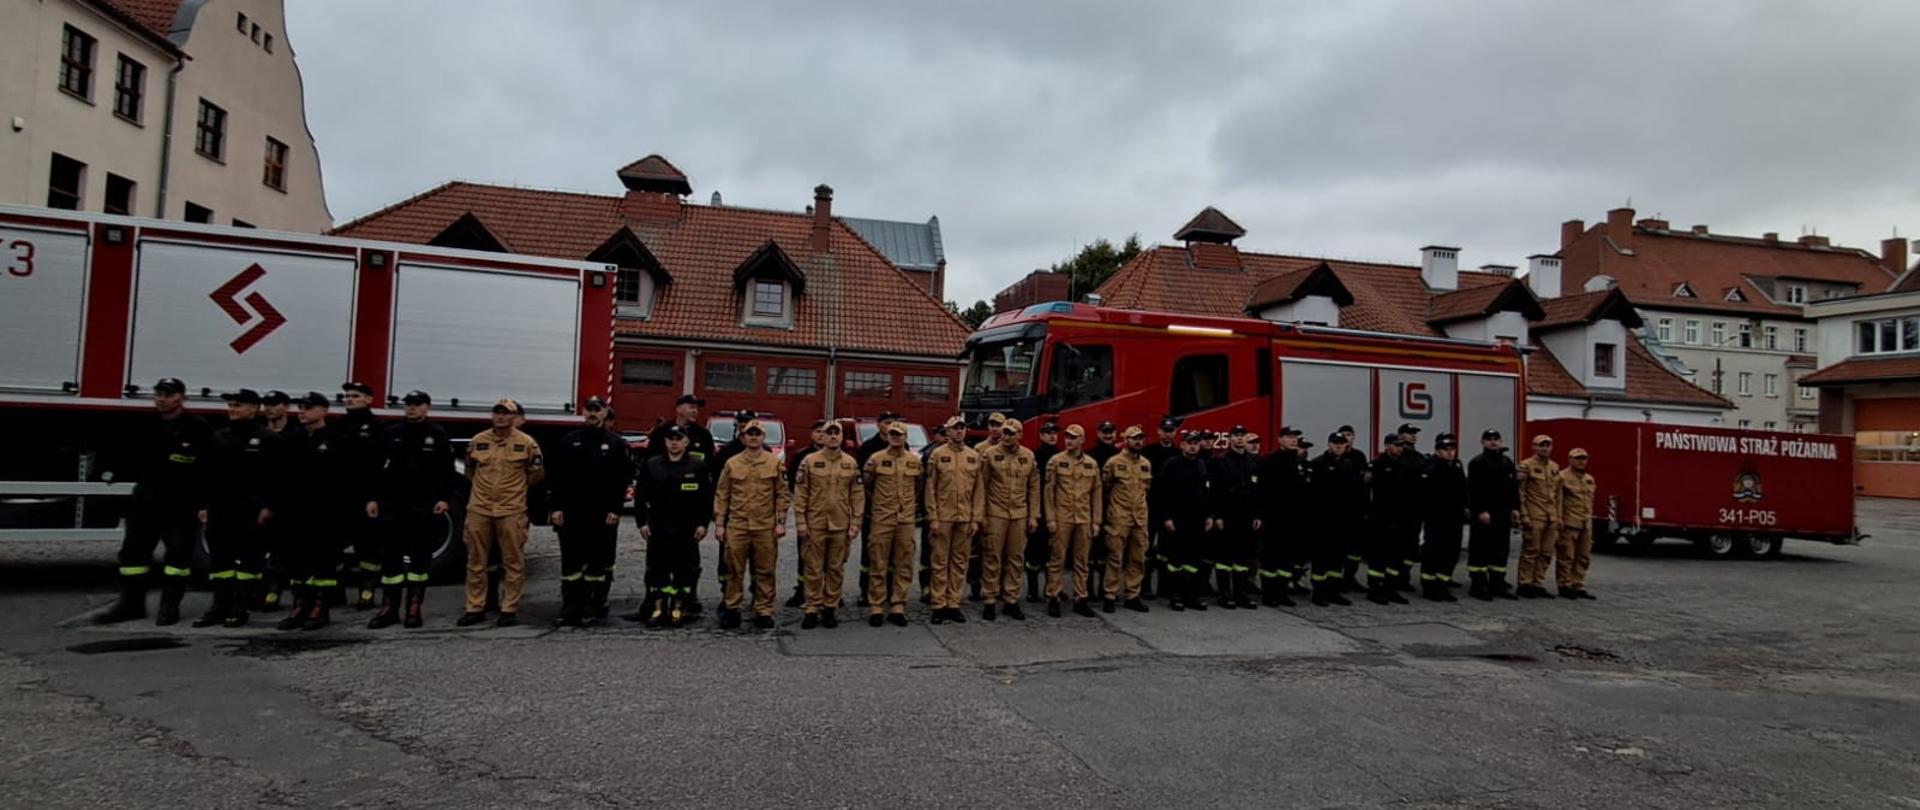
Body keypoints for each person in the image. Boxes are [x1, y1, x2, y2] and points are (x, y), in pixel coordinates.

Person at [95, 377, 210, 626]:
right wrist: (112, 471)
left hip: (180, 503)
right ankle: (130, 604)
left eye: (168, 395)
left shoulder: (198, 428)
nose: (162, 400)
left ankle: (169, 607)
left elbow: (206, 470)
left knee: (178, 558)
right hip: (145, 501)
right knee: (132, 555)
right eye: (158, 394)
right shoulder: (144, 424)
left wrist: (203, 503)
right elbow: (128, 455)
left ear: (182, 397)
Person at [194, 389, 283, 628]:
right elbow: (206, 474)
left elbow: (278, 479)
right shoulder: (217, 437)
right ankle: (218, 607)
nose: (233, 409)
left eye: (239, 405)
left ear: (254, 409)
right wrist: (203, 505)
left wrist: (269, 507)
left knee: (249, 561)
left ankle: (240, 607)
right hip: (221, 508)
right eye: (231, 405)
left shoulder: (269, 439)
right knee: (220, 561)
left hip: (252, 510)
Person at [367, 390, 454, 630]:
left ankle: (413, 609)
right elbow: (376, 469)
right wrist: (373, 498)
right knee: (391, 561)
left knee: (419, 562)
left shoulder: (436, 436)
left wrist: (444, 499)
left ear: (427, 407)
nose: (412, 409)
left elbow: (447, 471)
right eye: (408, 405)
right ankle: (389, 609)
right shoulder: (391, 434)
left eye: (417, 405)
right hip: (392, 507)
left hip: (422, 508)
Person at [455, 399, 544, 628]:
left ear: (514, 417)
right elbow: (469, 472)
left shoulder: (526, 444)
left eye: (506, 413)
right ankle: (475, 607)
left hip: (511, 510)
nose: (501, 417)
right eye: (497, 413)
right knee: (476, 561)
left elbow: (535, 474)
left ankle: (509, 608)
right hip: (480, 508)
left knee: (513, 562)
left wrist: (513, 494)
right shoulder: (478, 441)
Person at [549, 398, 631, 627]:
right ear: (583, 412)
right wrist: (555, 507)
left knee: (597, 562)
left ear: (605, 413)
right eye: (589, 409)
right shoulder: (569, 441)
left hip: (601, 514)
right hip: (572, 513)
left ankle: (593, 605)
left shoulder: (616, 444)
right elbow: (558, 477)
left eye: (597, 410)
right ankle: (570, 606)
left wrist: (616, 509)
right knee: (571, 563)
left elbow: (621, 480)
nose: (593, 413)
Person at [630, 425, 713, 627]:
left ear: (686, 442)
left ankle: (678, 607)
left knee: (684, 570)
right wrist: (641, 522)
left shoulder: (697, 466)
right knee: (657, 571)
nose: (674, 442)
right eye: (670, 439)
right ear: (665, 442)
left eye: (679, 439)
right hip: (659, 527)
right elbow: (640, 496)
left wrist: (703, 524)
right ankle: (658, 608)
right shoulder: (652, 464)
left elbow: (706, 498)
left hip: (687, 529)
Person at [275, 392, 341, 630]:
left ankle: (320, 609)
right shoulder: (292, 438)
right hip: (296, 511)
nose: (302, 411)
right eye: (301, 407)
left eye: (308, 407)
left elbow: (346, 478)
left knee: (323, 562)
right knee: (297, 562)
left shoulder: (335, 439)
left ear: (324, 411)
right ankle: (300, 606)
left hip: (324, 512)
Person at [713, 420, 789, 629]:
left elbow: (782, 495)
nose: (754, 437)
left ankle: (763, 610)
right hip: (737, 525)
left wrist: (781, 522)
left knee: (765, 570)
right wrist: (720, 524)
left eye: (758, 434)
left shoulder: (774, 463)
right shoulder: (732, 463)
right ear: (743, 437)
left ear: (763, 437)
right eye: (750, 433)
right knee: (734, 569)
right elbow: (722, 494)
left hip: (764, 526)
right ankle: (732, 608)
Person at [793, 421, 862, 629]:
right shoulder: (810, 461)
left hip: (840, 524)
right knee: (813, 568)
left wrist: (855, 523)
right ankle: (812, 608)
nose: (833, 437)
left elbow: (857, 495)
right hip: (816, 524)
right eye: (828, 433)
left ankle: (830, 607)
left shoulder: (850, 463)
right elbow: (800, 494)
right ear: (821, 436)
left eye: (836, 433)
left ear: (842, 437)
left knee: (835, 568)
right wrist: (800, 522)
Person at [922, 417, 984, 625]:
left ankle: (954, 603)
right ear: (947, 432)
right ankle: (938, 604)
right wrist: (933, 516)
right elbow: (930, 488)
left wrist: (976, 518)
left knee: (960, 562)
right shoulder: (937, 455)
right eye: (955, 429)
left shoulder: (974, 456)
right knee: (939, 562)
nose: (959, 432)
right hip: (943, 517)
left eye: (962, 428)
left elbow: (979, 491)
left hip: (965, 517)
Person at [978, 420, 1038, 621]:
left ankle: (1011, 599)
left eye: (1012, 433)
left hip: (1019, 513)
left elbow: (1033, 488)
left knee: (1016, 558)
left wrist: (1033, 515)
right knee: (992, 556)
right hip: (996, 512)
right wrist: (982, 515)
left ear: (1020, 434)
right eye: (1005, 432)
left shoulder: (1028, 456)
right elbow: (982, 487)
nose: (1007, 436)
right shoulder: (991, 454)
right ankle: (989, 599)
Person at [863, 422, 921, 626]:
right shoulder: (876, 460)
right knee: (878, 562)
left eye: (900, 435)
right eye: (893, 434)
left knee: (904, 563)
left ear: (906, 437)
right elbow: (867, 487)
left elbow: (918, 488)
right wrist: (878, 508)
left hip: (905, 519)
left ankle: (898, 605)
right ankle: (876, 606)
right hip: (882, 518)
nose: (896, 437)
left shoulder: (914, 461)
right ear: (888, 436)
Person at [336, 382, 386, 611]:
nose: (349, 399)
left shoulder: (377, 427)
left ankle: (367, 591)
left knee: (367, 547)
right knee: (333, 544)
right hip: (340, 496)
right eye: (346, 396)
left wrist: (374, 497)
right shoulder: (338, 426)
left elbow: (380, 467)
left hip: (364, 498)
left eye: (355, 396)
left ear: (368, 399)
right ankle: (334, 593)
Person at [1044, 425, 1102, 618]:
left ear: (1082, 440)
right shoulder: (1056, 462)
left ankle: (1080, 598)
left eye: (1073, 437)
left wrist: (1096, 521)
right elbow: (1048, 493)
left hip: (1083, 518)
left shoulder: (1091, 464)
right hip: (1062, 517)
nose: (1069, 440)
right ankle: (1054, 596)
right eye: (1067, 437)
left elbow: (1096, 494)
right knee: (1057, 559)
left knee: (1082, 561)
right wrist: (1050, 519)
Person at [1153, 430, 1215, 611]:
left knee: (1194, 560)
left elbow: (1208, 493)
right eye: (1190, 443)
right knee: (1176, 560)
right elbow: (1162, 493)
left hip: (1197, 520)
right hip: (1177, 520)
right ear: (1182, 445)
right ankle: (1176, 595)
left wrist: (1209, 516)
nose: (1193, 446)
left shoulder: (1202, 465)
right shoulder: (1172, 464)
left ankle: (1192, 596)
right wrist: (1166, 517)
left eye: (1196, 443)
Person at [1100, 426, 1153, 613]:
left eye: (1140, 438)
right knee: (1115, 557)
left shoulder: (1146, 463)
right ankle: (1110, 595)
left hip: (1140, 518)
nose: (1138, 441)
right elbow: (1105, 489)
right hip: (1118, 518)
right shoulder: (1114, 462)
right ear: (1126, 440)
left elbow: (1146, 489)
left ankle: (1132, 594)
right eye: (1134, 438)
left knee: (1137, 558)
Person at [1306, 433, 1362, 606]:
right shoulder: (1317, 464)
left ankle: (1333, 591)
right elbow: (1310, 495)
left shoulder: (1349, 464)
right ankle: (1318, 592)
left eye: (1342, 444)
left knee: (1338, 559)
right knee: (1321, 558)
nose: (1339, 447)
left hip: (1343, 521)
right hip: (1323, 521)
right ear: (1329, 444)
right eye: (1336, 443)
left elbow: (1355, 493)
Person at [1256, 427, 1309, 607]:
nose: (1294, 440)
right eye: (1289, 437)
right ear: (1280, 440)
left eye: (1295, 437)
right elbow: (1260, 491)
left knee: (1287, 559)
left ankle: (1282, 593)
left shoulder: (1299, 462)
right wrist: (1261, 514)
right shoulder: (1269, 461)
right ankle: (1269, 594)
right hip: (1274, 517)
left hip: (1294, 519)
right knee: (1272, 557)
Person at [1466, 429, 1521, 601]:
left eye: (1496, 439)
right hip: (1484, 515)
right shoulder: (1477, 463)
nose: (1493, 442)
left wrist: (1515, 508)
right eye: (1488, 439)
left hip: (1502, 514)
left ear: (1501, 441)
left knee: (1500, 550)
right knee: (1480, 550)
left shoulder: (1507, 462)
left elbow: (1513, 489)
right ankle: (1478, 586)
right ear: (1482, 442)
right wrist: (1480, 510)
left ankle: (1497, 585)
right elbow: (1473, 490)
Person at [783, 420, 832, 609]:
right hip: (810, 515)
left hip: (833, 516)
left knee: (831, 557)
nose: (821, 435)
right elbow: (794, 487)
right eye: (818, 431)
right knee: (805, 555)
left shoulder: (840, 458)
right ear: (812, 434)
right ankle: (802, 590)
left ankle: (829, 593)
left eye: (824, 432)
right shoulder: (802, 456)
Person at [1209, 426, 1260, 609]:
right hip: (1227, 515)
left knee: (1243, 558)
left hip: (1246, 516)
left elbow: (1257, 492)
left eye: (1242, 436)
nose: (1239, 439)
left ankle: (1241, 594)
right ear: (1230, 439)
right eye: (1236, 436)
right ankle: (1225, 594)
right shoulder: (1221, 461)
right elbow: (1215, 492)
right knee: (1224, 558)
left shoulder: (1253, 462)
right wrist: (1218, 516)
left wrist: (1257, 515)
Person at [1418, 433, 1470, 602]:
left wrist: (1466, 508)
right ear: (1438, 452)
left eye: (1452, 449)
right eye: (1445, 450)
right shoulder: (1431, 469)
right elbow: (1424, 496)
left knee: (1451, 552)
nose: (1449, 452)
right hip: (1436, 519)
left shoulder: (1456, 467)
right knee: (1433, 551)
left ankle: (1442, 584)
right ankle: (1429, 586)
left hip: (1454, 518)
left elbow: (1464, 490)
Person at [855, 411, 899, 608]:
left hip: (895, 511)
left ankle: (888, 591)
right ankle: (866, 592)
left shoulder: (902, 446)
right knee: (870, 553)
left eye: (894, 423)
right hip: (873, 510)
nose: (891, 426)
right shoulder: (868, 448)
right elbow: (864, 483)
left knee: (891, 554)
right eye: (887, 422)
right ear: (879, 425)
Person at [1366, 436, 1416, 605]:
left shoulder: (1405, 464)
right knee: (1379, 555)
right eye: (1396, 445)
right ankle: (1374, 589)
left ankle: (1390, 588)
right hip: (1382, 518)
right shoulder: (1378, 465)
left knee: (1397, 556)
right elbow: (1377, 493)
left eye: (1401, 445)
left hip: (1401, 517)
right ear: (1387, 446)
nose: (1400, 448)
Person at [1515, 434, 1563, 599]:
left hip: (1551, 517)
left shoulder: (1554, 467)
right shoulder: (1526, 466)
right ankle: (1524, 583)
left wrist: (1559, 516)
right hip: (1535, 515)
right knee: (1531, 550)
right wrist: (1524, 515)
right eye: (1541, 445)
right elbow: (1520, 492)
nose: (1545, 448)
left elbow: (1558, 495)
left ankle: (1537, 582)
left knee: (1547, 552)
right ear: (1534, 447)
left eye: (1548, 446)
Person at [1139, 417, 1181, 600]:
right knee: (1146, 550)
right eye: (1164, 430)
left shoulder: (1179, 454)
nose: (1167, 434)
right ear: (1158, 431)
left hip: (1171, 509)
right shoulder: (1147, 452)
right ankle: (1144, 586)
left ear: (1175, 433)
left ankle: (1165, 587)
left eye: (1171, 431)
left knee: (1167, 551)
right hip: (1151, 507)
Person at [1554, 448, 1599, 600]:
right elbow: (1557, 499)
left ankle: (1578, 583)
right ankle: (1564, 585)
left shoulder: (1589, 478)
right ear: (1570, 459)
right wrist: (1558, 518)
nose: (1581, 461)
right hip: (1569, 522)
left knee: (1583, 556)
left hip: (1586, 522)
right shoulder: (1562, 477)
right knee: (1566, 555)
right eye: (1578, 458)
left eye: (1584, 458)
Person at [1025, 421, 1061, 603]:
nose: (1052, 436)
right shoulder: (1034, 457)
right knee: (1034, 554)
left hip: (1058, 512)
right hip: (1038, 511)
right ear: (1041, 435)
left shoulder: (1063, 457)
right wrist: (1032, 513)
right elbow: (1030, 486)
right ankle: (1032, 590)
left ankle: (1053, 588)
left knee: (1054, 553)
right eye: (1048, 432)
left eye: (1054, 432)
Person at [1335, 424, 1371, 592]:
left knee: (1356, 548)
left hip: (1358, 508)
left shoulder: (1359, 456)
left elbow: (1364, 481)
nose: (1346, 437)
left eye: (1349, 434)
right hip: (1341, 509)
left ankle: (1350, 577)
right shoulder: (1335, 457)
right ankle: (1336, 579)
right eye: (1343, 434)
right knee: (1339, 546)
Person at [648, 394, 717, 463]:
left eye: (697, 408)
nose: (695, 411)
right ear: (678, 409)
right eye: (691, 407)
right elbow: (650, 459)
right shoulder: (661, 431)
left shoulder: (703, 434)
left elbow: (710, 462)